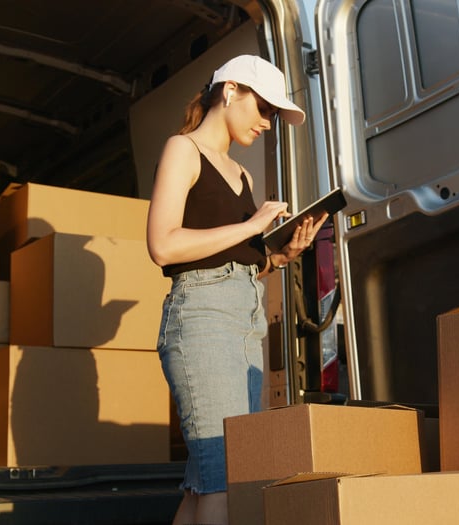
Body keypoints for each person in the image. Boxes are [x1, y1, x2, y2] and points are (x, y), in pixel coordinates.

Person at [146, 54, 327, 525]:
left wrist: (280, 257)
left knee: (211, 479)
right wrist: (252, 223)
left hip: (245, 326)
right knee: (225, 480)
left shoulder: (243, 175)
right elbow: (163, 245)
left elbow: (234, 261)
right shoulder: (182, 150)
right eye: (264, 109)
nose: (268, 123)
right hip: (202, 320)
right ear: (230, 91)